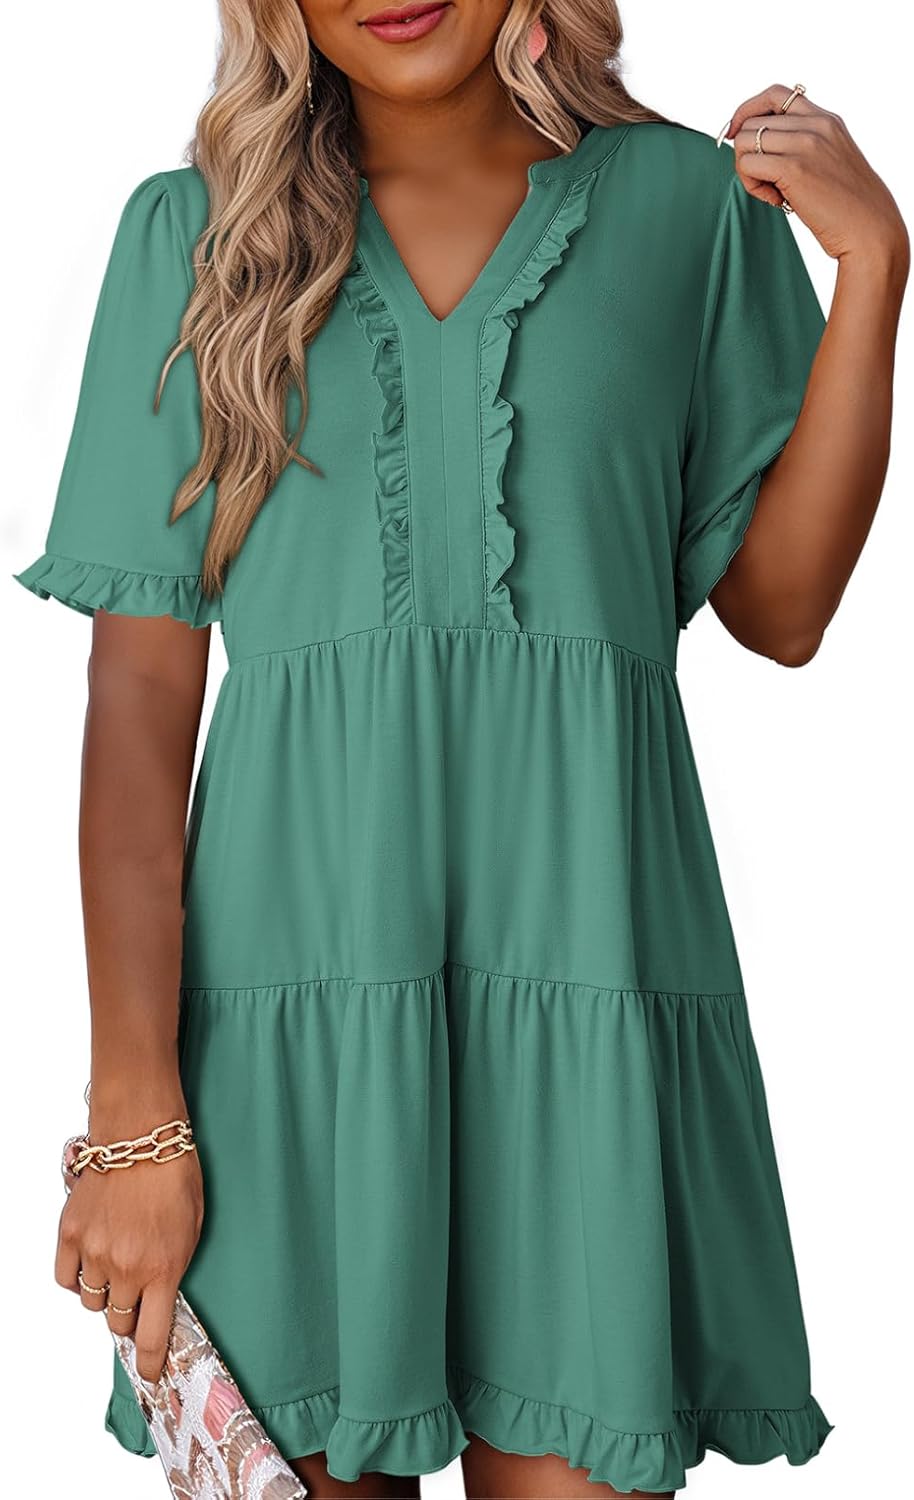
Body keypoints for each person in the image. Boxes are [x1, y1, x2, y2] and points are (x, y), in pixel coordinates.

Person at [14, 1, 909, 1496]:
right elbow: (138, 713)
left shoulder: (684, 206)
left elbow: (785, 607)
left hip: (591, 1005)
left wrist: (873, 270)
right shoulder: (194, 236)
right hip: (286, 1051)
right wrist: (131, 1121)